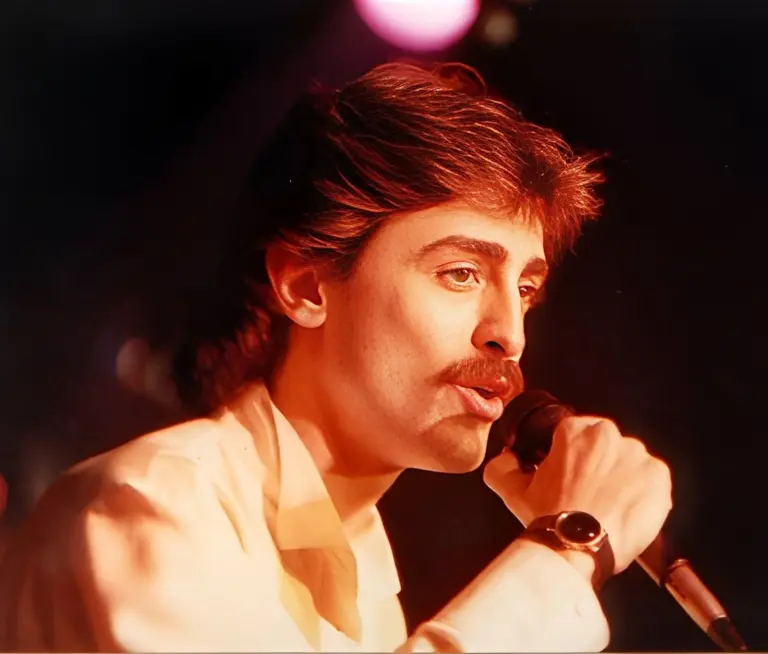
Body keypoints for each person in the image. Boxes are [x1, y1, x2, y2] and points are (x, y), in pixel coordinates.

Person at [0, 61, 672, 652]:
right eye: (461, 273)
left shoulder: (364, 575)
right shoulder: (153, 504)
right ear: (306, 286)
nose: (510, 335)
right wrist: (565, 548)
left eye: (524, 289)